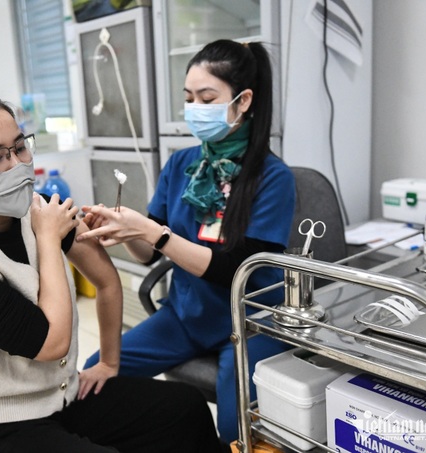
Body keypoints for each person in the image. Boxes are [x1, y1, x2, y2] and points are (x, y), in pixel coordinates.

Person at [0, 89, 228, 453]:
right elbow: (52, 344)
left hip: (61, 396)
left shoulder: (40, 210)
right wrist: (48, 239)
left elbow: (107, 282)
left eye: (20, 147)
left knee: (184, 408)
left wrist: (109, 362)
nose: (17, 165)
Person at [78, 39, 296, 443]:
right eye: (189, 98)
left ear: (243, 100)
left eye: (207, 97)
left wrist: (154, 233)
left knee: (235, 431)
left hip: (248, 322)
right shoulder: (182, 164)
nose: (195, 107)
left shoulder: (273, 178)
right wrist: (124, 229)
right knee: (96, 374)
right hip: (186, 315)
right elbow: (147, 255)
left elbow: (236, 270)